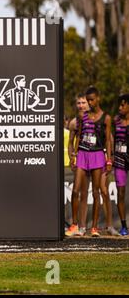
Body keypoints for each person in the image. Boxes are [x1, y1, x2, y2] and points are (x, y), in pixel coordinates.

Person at [66, 86, 112, 237]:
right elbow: (79, 136)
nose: (89, 103)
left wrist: (109, 159)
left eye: (91, 100)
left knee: (97, 191)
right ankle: (74, 225)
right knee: (76, 190)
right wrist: (74, 155)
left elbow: (108, 141)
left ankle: (94, 228)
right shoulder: (82, 117)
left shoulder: (105, 117)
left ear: (97, 99)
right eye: (87, 100)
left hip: (97, 155)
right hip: (83, 154)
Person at [67, 94, 89, 236]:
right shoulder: (74, 122)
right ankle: (74, 224)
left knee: (85, 193)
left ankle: (83, 227)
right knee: (75, 191)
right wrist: (71, 157)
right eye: (79, 103)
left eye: (84, 102)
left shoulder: (96, 120)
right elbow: (70, 142)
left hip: (93, 158)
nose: (81, 105)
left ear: (89, 104)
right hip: (79, 158)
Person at [113, 94, 129, 236]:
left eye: (123, 105)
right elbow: (110, 139)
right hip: (119, 160)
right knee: (121, 193)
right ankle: (124, 226)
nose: (120, 108)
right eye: (119, 105)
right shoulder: (116, 121)